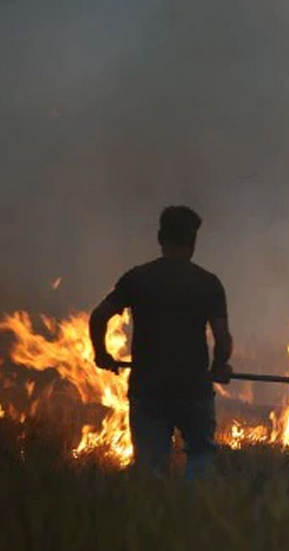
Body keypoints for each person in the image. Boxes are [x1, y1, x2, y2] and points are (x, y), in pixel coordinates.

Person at [89, 205, 233, 478]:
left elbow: (99, 316)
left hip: (148, 389)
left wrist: (101, 354)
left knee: (150, 467)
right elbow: (222, 338)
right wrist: (220, 366)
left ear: (160, 238)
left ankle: (155, 514)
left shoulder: (138, 279)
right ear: (193, 243)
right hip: (193, 389)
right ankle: (195, 512)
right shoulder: (208, 283)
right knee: (201, 455)